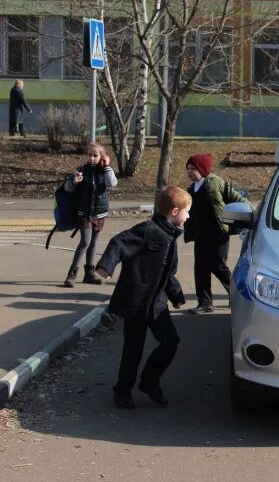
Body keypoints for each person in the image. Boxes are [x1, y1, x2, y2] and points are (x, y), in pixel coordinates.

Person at [96, 185, 191, 409]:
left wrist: (176, 296)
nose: (189, 217)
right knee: (133, 349)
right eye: (188, 211)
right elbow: (119, 242)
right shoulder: (148, 230)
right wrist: (107, 265)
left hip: (157, 304)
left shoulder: (170, 237)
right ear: (175, 212)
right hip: (136, 303)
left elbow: (168, 273)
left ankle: (149, 381)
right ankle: (122, 390)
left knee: (170, 342)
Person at [184, 153, 249, 314]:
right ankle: (205, 303)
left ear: (203, 169)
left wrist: (247, 215)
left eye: (193, 169)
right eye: (188, 169)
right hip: (201, 235)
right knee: (200, 268)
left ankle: (238, 296)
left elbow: (240, 200)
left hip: (218, 234)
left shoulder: (215, 183)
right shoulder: (191, 189)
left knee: (218, 265)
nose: (190, 172)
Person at [63, 142, 118, 287]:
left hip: (100, 213)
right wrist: (74, 182)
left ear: (102, 157)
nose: (92, 158)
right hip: (84, 212)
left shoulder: (105, 170)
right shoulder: (81, 169)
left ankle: (89, 273)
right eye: (90, 155)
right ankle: (71, 274)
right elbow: (67, 188)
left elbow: (112, 183)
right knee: (85, 242)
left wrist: (106, 166)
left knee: (93, 243)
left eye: (95, 155)